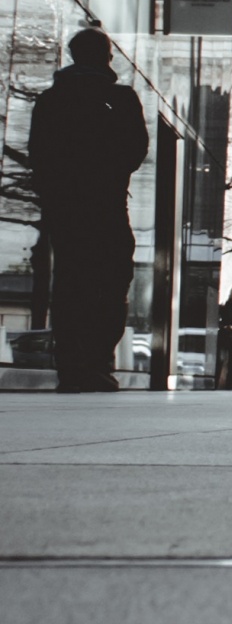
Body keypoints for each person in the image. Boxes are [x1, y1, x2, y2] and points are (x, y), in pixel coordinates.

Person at [29, 29, 149, 393]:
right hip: (106, 207)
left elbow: (39, 154)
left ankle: (72, 366)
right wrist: (108, 175)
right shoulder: (120, 98)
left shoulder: (50, 100)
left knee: (69, 285)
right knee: (111, 283)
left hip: (65, 212)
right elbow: (136, 149)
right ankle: (97, 363)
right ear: (105, 57)